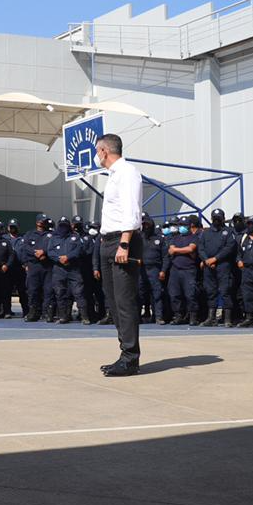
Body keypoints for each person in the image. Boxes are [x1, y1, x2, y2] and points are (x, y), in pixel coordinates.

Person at [95, 133, 141, 377]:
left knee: (124, 302)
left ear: (104, 151)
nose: (96, 156)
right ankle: (124, 353)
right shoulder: (113, 175)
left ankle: (130, 358)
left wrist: (124, 244)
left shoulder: (127, 172)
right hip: (108, 241)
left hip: (122, 242)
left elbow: (132, 210)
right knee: (113, 302)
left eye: (97, 151)